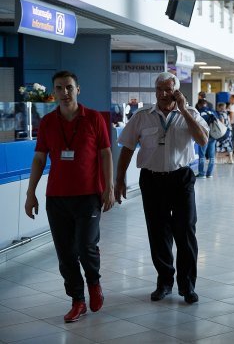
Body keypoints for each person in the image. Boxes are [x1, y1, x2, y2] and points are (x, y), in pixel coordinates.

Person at [24, 71, 114, 323]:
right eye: (59, 88)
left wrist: (108, 187)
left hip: (88, 196)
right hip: (57, 198)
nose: (64, 93)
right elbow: (40, 158)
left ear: (78, 89)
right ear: (54, 91)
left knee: (86, 247)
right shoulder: (48, 123)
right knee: (65, 254)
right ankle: (77, 300)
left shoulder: (94, 119)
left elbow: (106, 154)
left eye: (69, 88)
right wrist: (31, 193)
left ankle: (94, 284)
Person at [115, 72, 209, 305]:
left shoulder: (191, 115)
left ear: (177, 92)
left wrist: (185, 111)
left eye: (168, 90)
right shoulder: (141, 117)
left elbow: (203, 140)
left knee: (185, 231)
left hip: (181, 179)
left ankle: (187, 286)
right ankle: (165, 281)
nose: (163, 94)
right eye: (159, 89)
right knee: (158, 233)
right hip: (152, 180)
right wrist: (119, 179)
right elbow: (126, 148)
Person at [196, 100, 217, 178]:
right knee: (212, 156)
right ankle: (209, 174)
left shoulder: (199, 112)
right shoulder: (212, 111)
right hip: (213, 135)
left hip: (204, 136)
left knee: (202, 155)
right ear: (206, 104)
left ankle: (201, 173)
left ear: (199, 105)